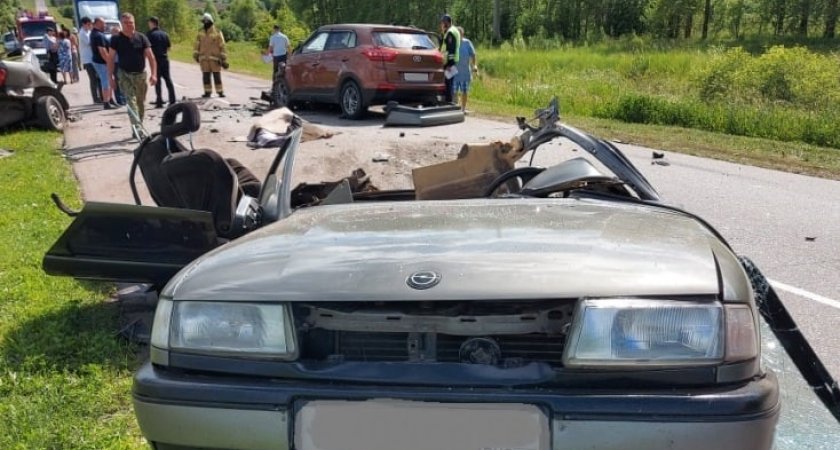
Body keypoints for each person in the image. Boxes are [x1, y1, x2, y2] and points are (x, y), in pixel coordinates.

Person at [108, 12, 157, 137]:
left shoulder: (142, 37)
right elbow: (110, 58)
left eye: (131, 23)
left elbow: (151, 57)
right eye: (126, 23)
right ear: (122, 24)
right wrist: (111, 77)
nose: (129, 25)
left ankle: (138, 125)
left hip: (140, 75)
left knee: (140, 103)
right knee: (131, 102)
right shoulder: (116, 39)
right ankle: (138, 129)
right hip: (124, 74)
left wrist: (154, 74)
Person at [194, 13, 227, 98]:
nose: (205, 23)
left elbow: (222, 46)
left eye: (206, 21)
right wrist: (196, 55)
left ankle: (220, 92)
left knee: (217, 77)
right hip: (204, 59)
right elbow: (197, 45)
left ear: (210, 21)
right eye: (204, 21)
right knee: (206, 77)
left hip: (215, 60)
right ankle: (207, 92)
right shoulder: (200, 33)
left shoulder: (217, 32)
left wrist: (223, 58)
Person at [147, 16, 176, 108]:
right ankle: (172, 100)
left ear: (152, 23)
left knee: (157, 80)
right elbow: (169, 48)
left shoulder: (150, 34)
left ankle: (159, 101)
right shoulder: (164, 34)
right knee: (168, 79)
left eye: (149, 23)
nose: (148, 24)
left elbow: (147, 48)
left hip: (155, 60)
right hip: (165, 59)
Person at [90, 17, 116, 109]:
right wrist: (109, 62)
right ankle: (106, 102)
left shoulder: (94, 33)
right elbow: (103, 52)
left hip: (98, 61)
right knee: (106, 81)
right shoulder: (98, 35)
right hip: (101, 62)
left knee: (109, 79)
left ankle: (110, 99)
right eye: (103, 23)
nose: (105, 25)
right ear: (97, 23)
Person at [452, 26, 477, 112]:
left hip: (465, 72)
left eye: (459, 34)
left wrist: (474, 65)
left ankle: (463, 108)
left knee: (464, 91)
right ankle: (455, 108)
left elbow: (473, 54)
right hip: (454, 73)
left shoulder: (467, 43)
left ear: (462, 34)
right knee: (454, 91)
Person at [79, 17, 102, 104]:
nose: (90, 26)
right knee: (93, 79)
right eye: (88, 24)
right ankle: (95, 98)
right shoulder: (82, 33)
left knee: (98, 78)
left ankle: (101, 96)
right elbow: (90, 43)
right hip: (88, 60)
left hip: (93, 58)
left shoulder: (88, 32)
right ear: (83, 24)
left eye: (90, 24)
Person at [438, 14, 460, 104]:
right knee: (448, 81)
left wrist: (449, 64)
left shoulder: (450, 32)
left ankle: (448, 101)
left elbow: (451, 48)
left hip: (449, 62)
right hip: (450, 60)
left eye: (443, 23)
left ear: (447, 23)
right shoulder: (451, 30)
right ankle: (448, 100)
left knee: (448, 82)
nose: (442, 25)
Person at [108, 26, 127, 105]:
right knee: (117, 81)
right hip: (115, 63)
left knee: (124, 81)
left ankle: (125, 98)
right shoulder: (110, 41)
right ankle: (119, 99)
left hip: (122, 62)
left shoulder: (123, 39)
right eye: (116, 32)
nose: (118, 33)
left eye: (119, 32)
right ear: (112, 33)